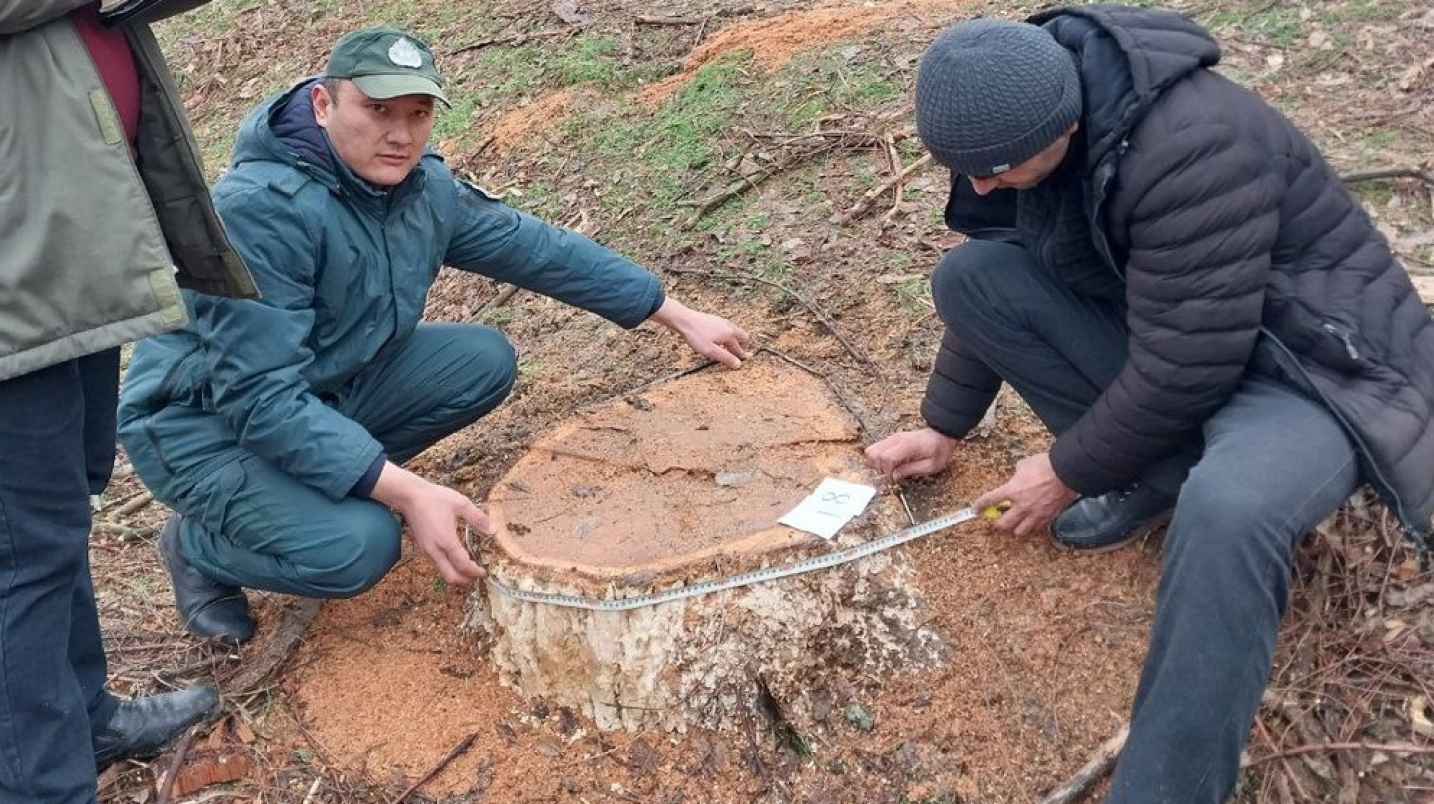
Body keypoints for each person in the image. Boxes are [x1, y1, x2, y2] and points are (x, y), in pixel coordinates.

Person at [865, 6, 1433, 803]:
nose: (980, 185)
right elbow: (1015, 254)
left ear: (1061, 124)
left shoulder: (1195, 146)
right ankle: (1156, 475)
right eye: (965, 170)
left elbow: (1191, 364)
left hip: (1316, 366)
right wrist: (944, 425)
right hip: (1191, 326)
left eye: (994, 168)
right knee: (972, 277)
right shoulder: (1027, 124)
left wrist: (1064, 470)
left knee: (1231, 505)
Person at [117, 25, 752, 648]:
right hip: (205, 426)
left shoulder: (418, 188)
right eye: (376, 109)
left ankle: (316, 482)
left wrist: (669, 310)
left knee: (481, 360)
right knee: (359, 547)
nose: (399, 134)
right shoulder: (262, 209)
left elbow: (535, 248)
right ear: (322, 103)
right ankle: (197, 546)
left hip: (321, 387)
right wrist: (408, 490)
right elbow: (259, 399)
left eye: (418, 114)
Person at [0, 2, 259, 802]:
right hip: (17, 264)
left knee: (55, 513)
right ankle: (42, 785)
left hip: (66, 250)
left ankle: (81, 715)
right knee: (19, 547)